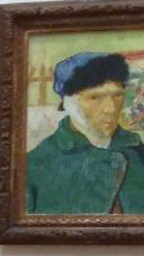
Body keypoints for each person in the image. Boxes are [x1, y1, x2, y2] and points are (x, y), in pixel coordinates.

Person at [26, 52, 144, 213]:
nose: (110, 109)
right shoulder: (34, 166)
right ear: (68, 103)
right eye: (95, 98)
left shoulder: (138, 152)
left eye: (117, 95)